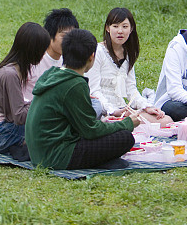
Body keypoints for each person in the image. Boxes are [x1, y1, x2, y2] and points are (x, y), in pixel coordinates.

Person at [25, 29, 139, 170]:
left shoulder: (52, 74)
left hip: (39, 154)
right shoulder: (75, 84)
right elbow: (90, 130)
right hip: (56, 157)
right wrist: (127, 123)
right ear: (92, 57)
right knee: (125, 138)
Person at [0, 22, 50, 161]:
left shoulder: (15, 69)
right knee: (48, 128)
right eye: (42, 49)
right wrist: (43, 97)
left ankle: (23, 146)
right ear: (33, 50)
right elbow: (19, 116)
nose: (44, 54)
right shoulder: (10, 74)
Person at [86, 7, 171, 124]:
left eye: (125, 26)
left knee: (166, 120)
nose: (120, 31)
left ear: (131, 29)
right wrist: (113, 110)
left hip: (123, 109)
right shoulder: (98, 51)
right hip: (101, 110)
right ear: (107, 28)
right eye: (115, 26)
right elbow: (94, 91)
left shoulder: (128, 54)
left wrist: (146, 107)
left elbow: (131, 89)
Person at [24, 8, 80, 101]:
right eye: (64, 36)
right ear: (49, 35)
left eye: (73, 36)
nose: (69, 41)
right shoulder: (33, 60)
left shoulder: (71, 62)